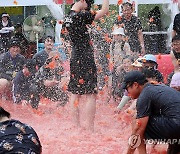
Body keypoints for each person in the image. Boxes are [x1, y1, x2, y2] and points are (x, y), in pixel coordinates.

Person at [63, 0, 109, 131]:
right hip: (85, 57)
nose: (88, 8)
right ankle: (89, 129)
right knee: (90, 94)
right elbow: (104, 11)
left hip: (75, 57)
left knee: (75, 93)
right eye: (88, 5)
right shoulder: (81, 15)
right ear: (82, 1)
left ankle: (76, 126)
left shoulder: (68, 16)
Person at [121, 71, 180, 154]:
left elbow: (139, 130)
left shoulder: (145, 95)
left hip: (176, 125)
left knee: (137, 122)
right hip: (175, 125)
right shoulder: (158, 87)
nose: (127, 93)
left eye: (127, 89)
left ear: (135, 85)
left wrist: (129, 152)